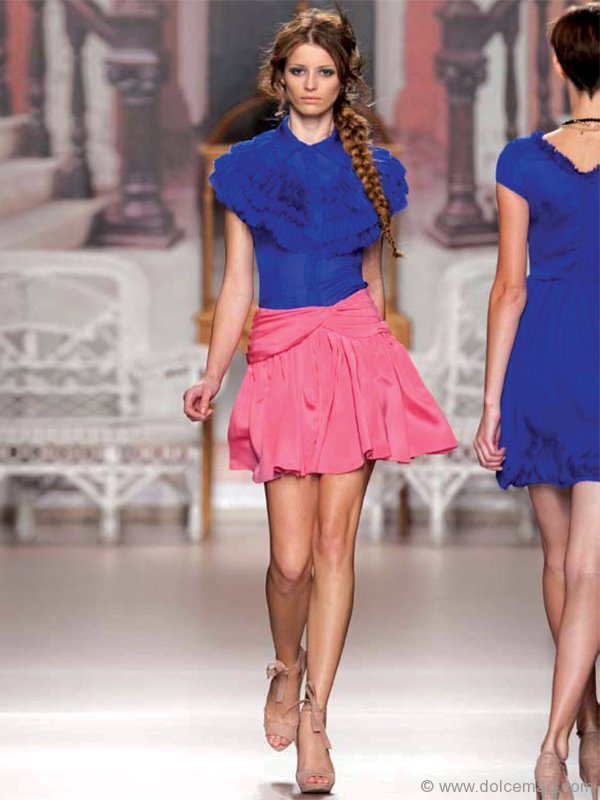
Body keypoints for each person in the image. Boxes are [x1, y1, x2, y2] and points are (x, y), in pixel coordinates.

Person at [184, 4, 457, 794]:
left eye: (325, 72)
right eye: (299, 71)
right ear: (280, 78)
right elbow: (238, 282)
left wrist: (384, 365)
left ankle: (317, 718)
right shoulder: (247, 166)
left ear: (345, 81)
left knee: (336, 548)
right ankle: (285, 663)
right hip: (280, 356)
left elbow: (372, 281)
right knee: (289, 561)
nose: (311, 83)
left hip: (353, 355)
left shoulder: (371, 166)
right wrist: (213, 373)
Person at [473, 4, 600, 799]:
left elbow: (509, 288)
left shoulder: (521, 158)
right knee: (588, 567)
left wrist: (491, 403)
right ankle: (561, 739)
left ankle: (584, 727)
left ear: (559, 67)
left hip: (543, 360)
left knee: (559, 563)